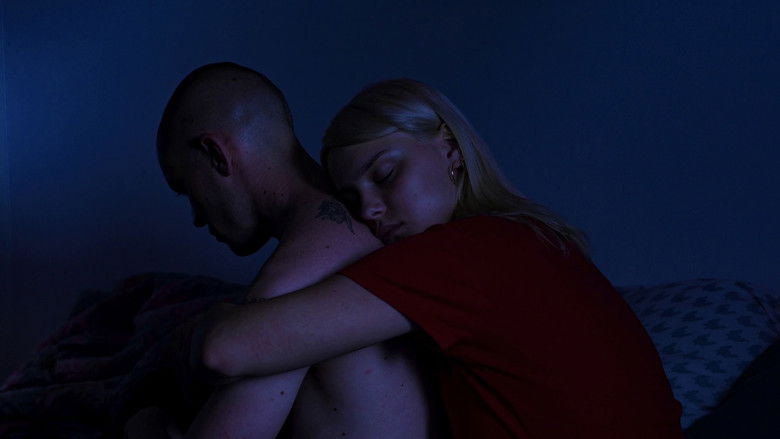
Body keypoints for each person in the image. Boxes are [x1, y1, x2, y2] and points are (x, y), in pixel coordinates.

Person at [192, 78, 686, 438]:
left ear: (451, 151)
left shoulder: (465, 253)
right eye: (352, 198)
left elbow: (226, 349)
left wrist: (200, 325)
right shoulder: (533, 242)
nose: (369, 210)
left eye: (385, 175)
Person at [144, 63, 448, 438]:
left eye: (186, 189)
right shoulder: (363, 227)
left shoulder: (292, 284)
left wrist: (146, 424)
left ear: (217, 154)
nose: (196, 217)